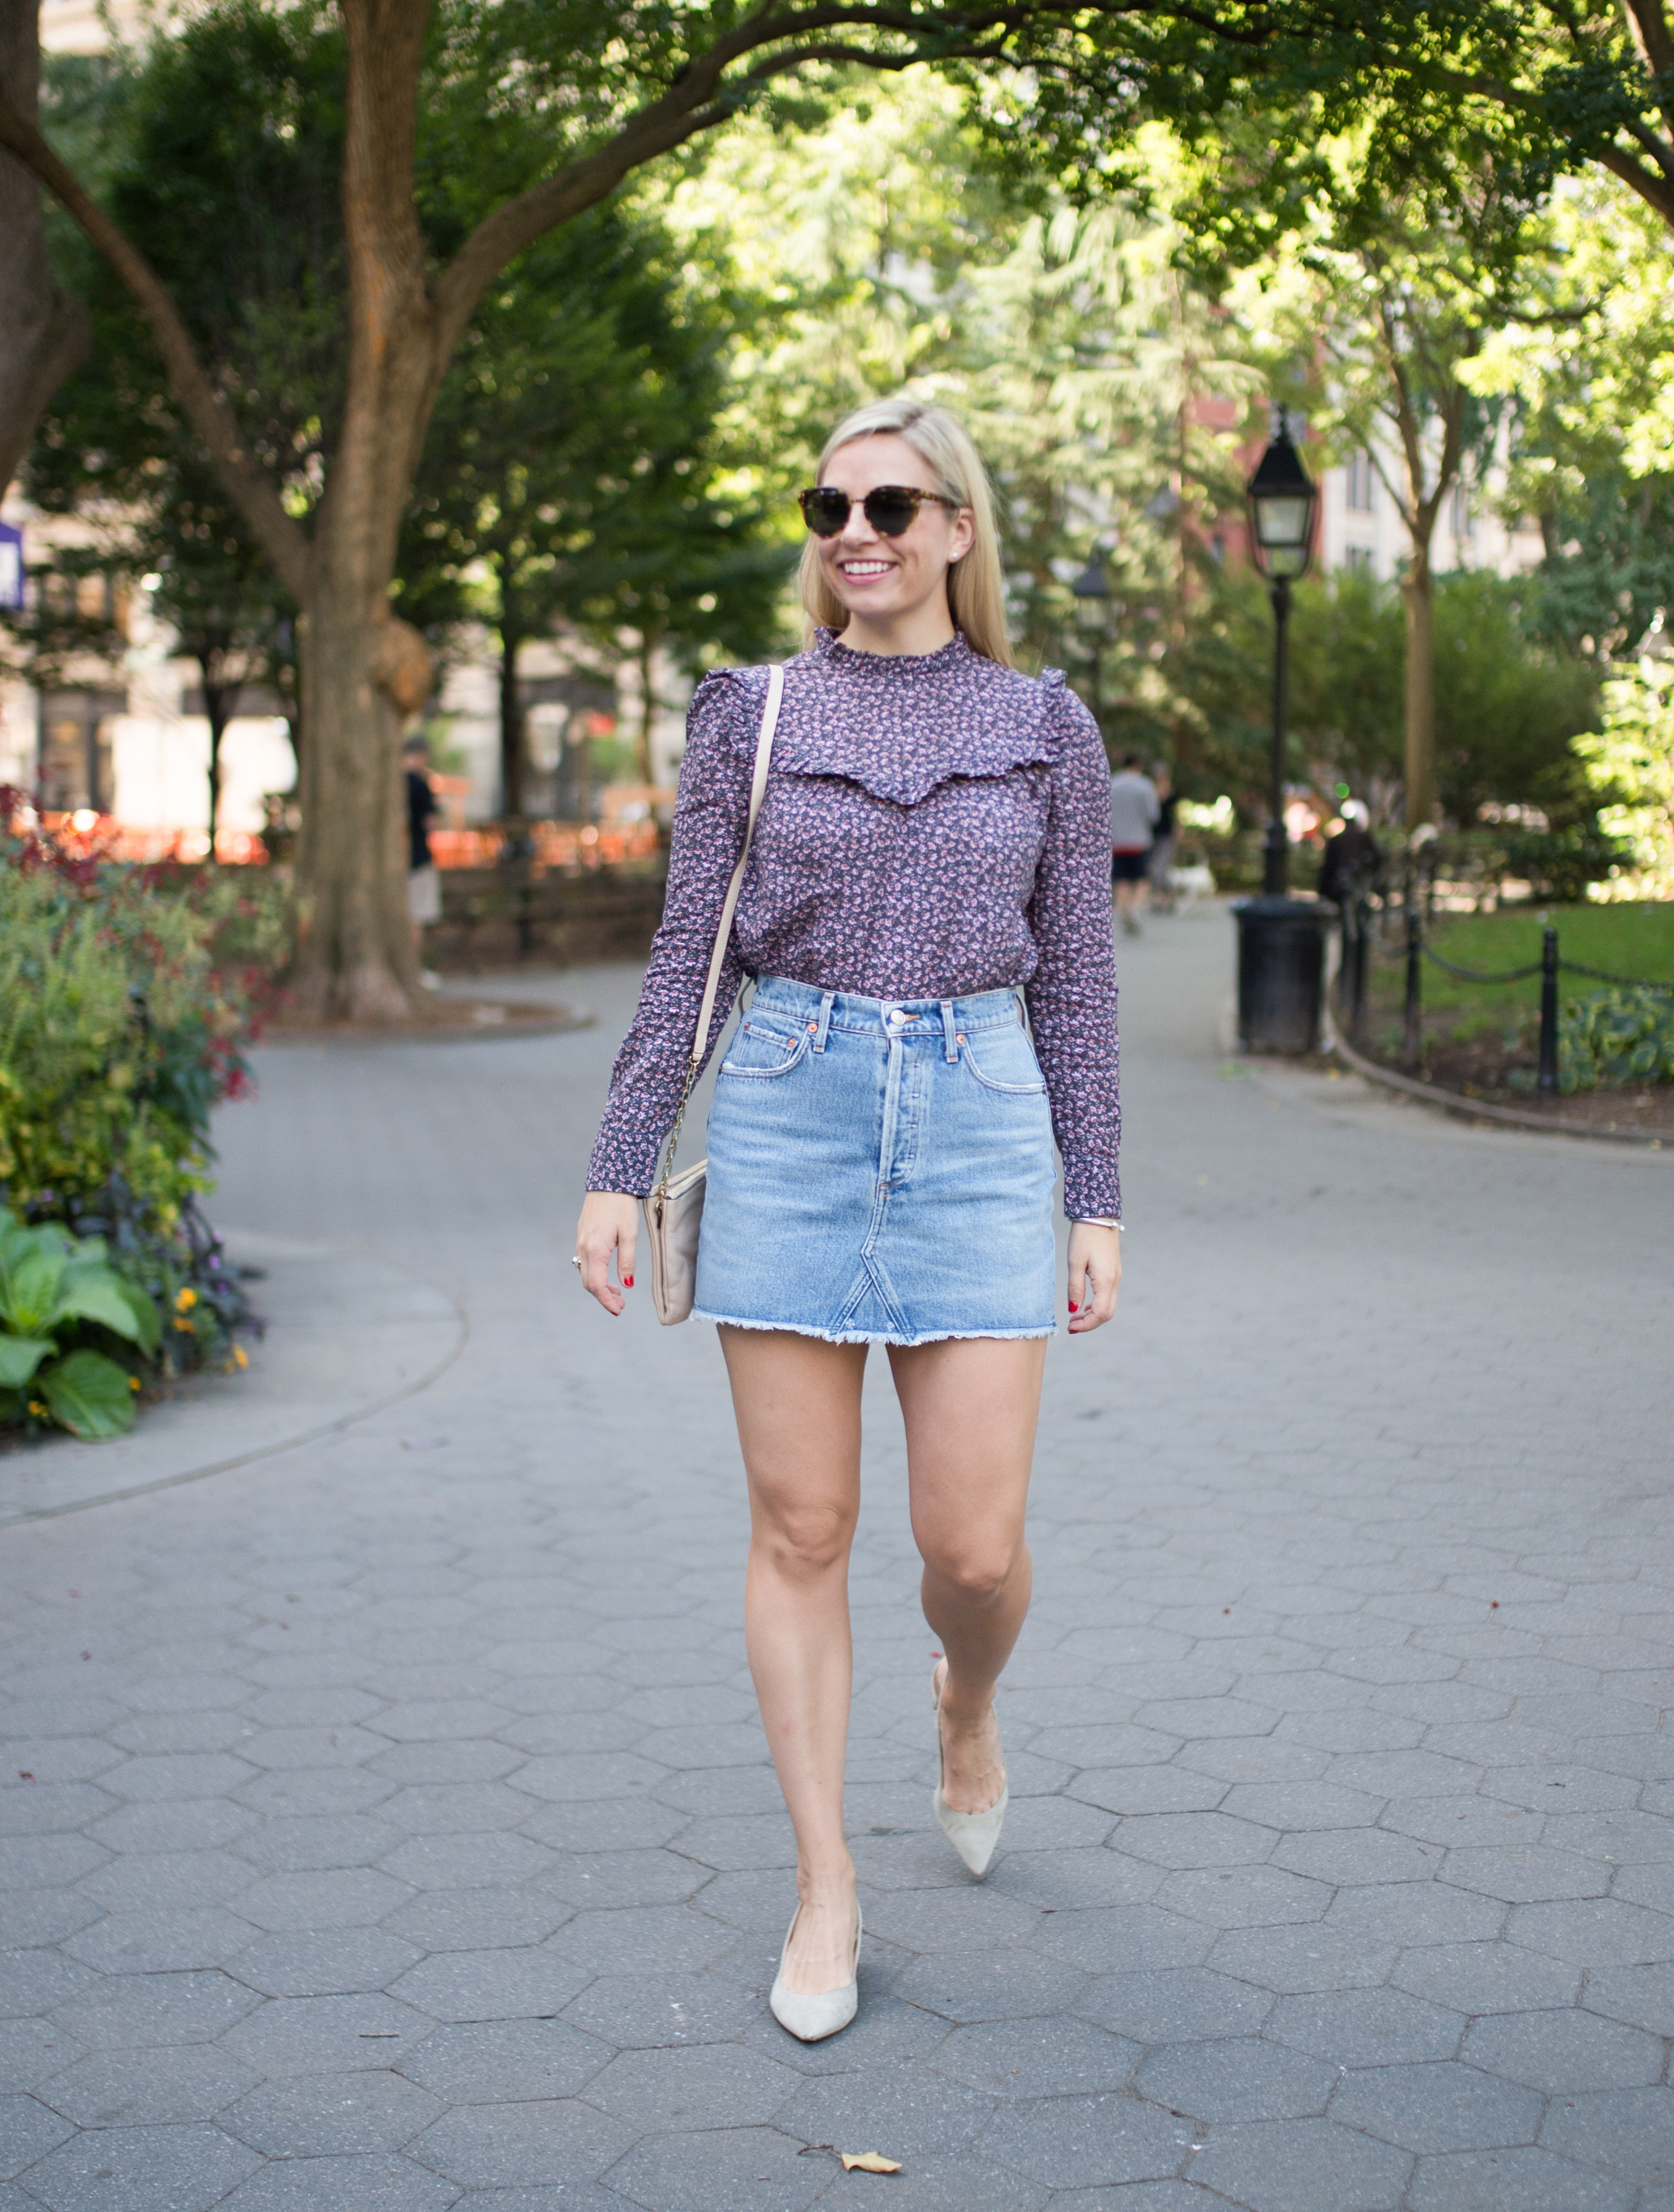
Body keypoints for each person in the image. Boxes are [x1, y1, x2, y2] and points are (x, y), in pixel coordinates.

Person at [575, 396, 1122, 2045]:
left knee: (969, 1545)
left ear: (959, 527)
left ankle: (969, 1698)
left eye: (892, 499)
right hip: (792, 1110)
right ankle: (827, 1884)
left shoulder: (1044, 722)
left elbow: (1082, 982)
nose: (855, 527)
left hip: (978, 1111)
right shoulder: (749, 712)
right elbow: (690, 956)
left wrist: (1096, 1198)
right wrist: (618, 1156)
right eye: (831, 503)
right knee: (801, 1530)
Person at [1109, 751, 1159, 934]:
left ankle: (1123, 909)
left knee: (1121, 878)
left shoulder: (1112, 783)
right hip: (1139, 839)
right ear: (1139, 765)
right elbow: (1153, 815)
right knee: (1142, 878)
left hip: (1116, 840)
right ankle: (1134, 907)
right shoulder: (1145, 785)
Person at [404, 735, 441, 976]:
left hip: (398, 860)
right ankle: (414, 969)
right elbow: (431, 822)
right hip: (417, 858)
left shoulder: (388, 780)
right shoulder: (420, 783)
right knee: (416, 917)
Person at [1318, 797, 1380, 907]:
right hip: (1355, 890)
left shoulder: (1336, 839)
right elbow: (1376, 862)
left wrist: (1323, 893)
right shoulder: (1365, 839)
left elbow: (1328, 868)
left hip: (1343, 890)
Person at [1147, 763, 1179, 911]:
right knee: (1153, 867)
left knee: (1161, 867)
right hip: (1152, 834)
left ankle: (1166, 897)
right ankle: (1162, 897)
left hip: (1166, 835)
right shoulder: (1149, 792)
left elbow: (1176, 814)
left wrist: (1178, 831)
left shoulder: (1172, 793)